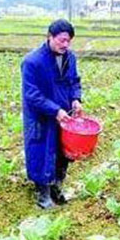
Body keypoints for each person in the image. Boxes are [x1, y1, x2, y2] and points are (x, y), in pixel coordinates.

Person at [21, 19, 83, 209]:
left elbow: (74, 81)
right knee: (41, 152)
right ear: (50, 37)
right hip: (41, 115)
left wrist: (76, 99)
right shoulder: (32, 61)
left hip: (64, 114)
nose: (65, 45)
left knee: (62, 152)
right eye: (61, 40)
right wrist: (54, 110)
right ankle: (42, 194)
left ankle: (56, 186)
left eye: (68, 41)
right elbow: (32, 95)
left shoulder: (69, 58)